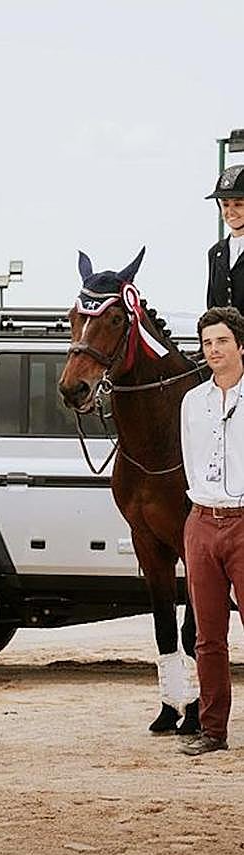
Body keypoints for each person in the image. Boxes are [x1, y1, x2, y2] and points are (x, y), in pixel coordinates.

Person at [179, 306, 244, 756]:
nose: (214, 350)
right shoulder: (192, 402)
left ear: (240, 345)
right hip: (202, 520)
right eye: (207, 343)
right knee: (208, 635)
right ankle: (213, 730)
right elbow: (190, 458)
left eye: (221, 341)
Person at [205, 165, 244, 312]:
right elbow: (212, 308)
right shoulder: (216, 252)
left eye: (238, 204)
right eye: (225, 204)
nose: (230, 211)